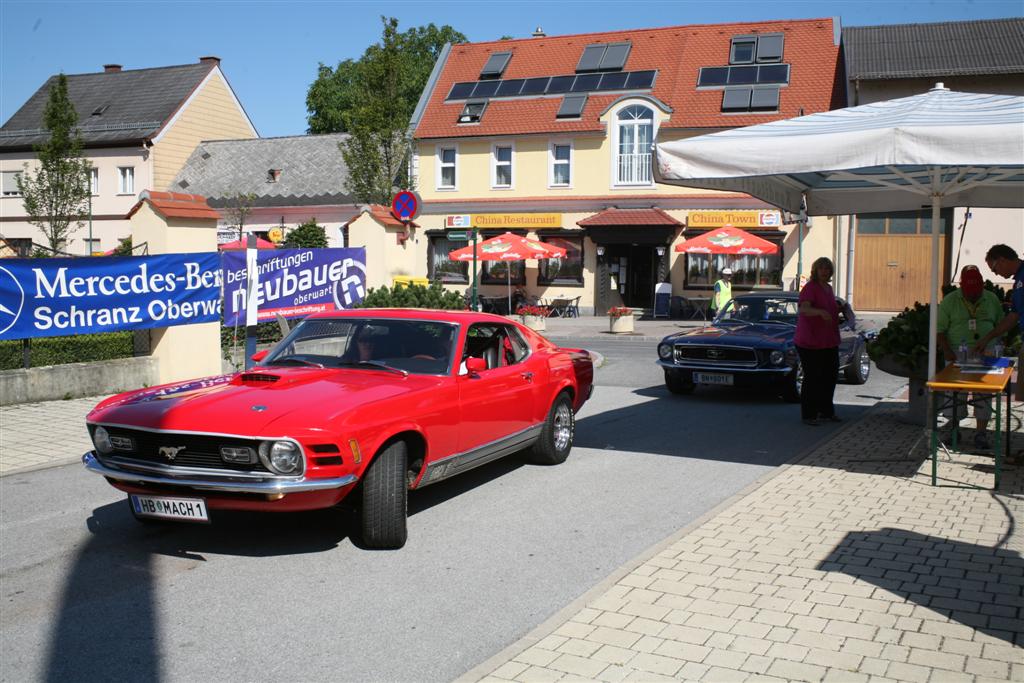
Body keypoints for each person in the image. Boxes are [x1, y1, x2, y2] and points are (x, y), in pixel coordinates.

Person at [938, 265, 1004, 450]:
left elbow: (1001, 325)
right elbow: (940, 330)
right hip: (956, 354)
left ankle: (981, 433)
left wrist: (998, 347)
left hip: (986, 354)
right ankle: (953, 430)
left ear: (983, 285)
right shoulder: (950, 301)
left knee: (983, 393)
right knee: (954, 393)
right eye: (969, 292)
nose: (973, 296)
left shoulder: (991, 299)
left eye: (976, 292)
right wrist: (947, 351)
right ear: (961, 286)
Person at [795, 257, 841, 426]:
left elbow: (830, 309)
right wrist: (820, 312)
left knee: (830, 376)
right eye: (821, 268)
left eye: (827, 268)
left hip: (828, 340)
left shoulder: (828, 288)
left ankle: (826, 411)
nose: (824, 271)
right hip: (810, 342)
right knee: (813, 378)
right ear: (815, 270)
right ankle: (808, 415)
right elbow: (804, 309)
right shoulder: (810, 288)